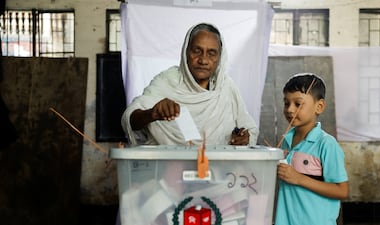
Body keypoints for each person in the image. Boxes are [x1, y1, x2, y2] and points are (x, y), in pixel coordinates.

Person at [121, 23, 258, 146]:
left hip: (218, 171)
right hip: (167, 170)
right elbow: (130, 120)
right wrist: (152, 114)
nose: (203, 60)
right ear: (186, 52)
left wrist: (244, 138)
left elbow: (248, 129)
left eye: (211, 53)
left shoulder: (226, 88)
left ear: (220, 58)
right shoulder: (167, 81)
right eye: (197, 51)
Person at [274, 73, 349, 225]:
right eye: (286, 103)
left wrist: (300, 178)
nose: (289, 109)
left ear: (319, 106)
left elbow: (342, 191)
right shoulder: (286, 141)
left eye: (298, 104)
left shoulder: (326, 144)